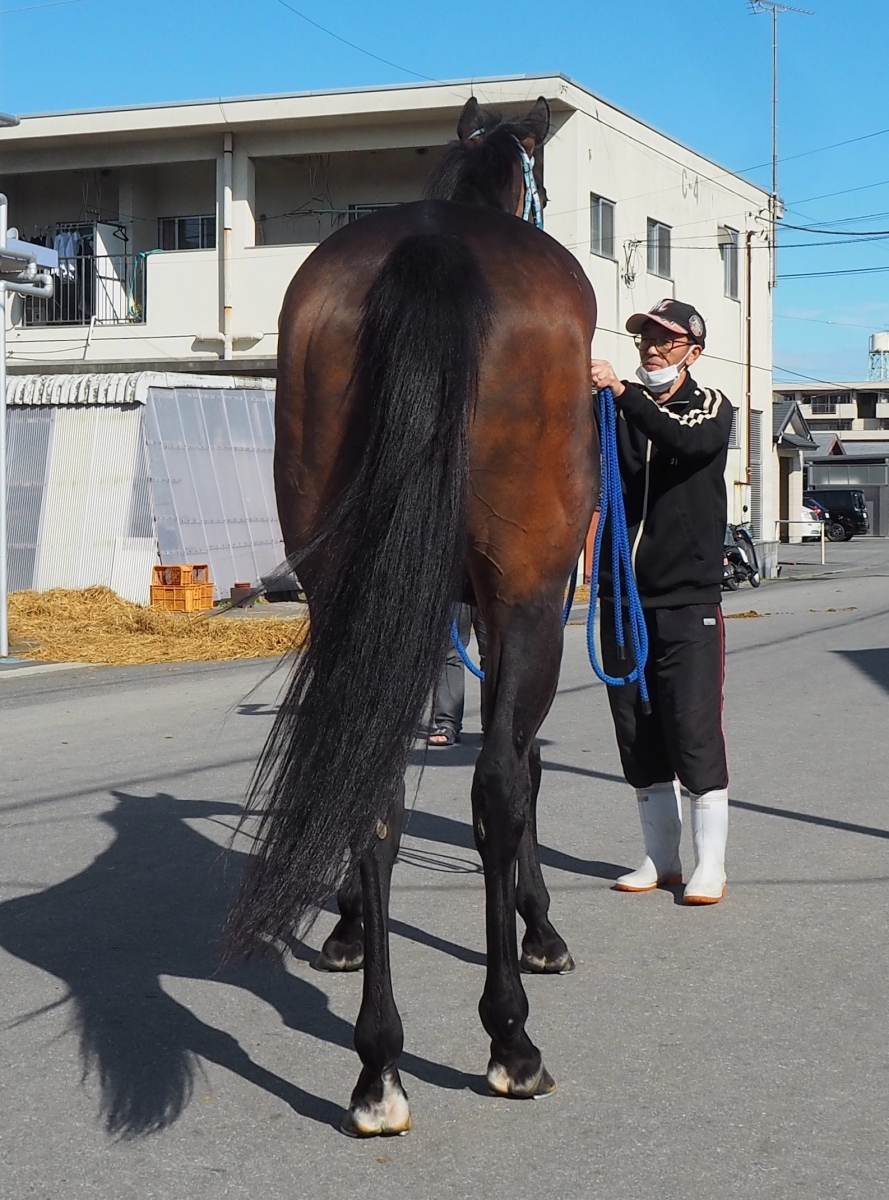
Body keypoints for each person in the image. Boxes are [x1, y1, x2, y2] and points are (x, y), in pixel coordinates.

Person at [590, 299, 732, 905]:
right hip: (623, 595)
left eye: (665, 340)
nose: (651, 348)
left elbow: (683, 440)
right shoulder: (613, 410)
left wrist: (623, 393)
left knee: (692, 728)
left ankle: (710, 865)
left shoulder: (711, 405)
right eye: (645, 338)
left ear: (692, 351)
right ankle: (661, 857)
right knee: (636, 732)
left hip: (686, 598)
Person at [427, 603, 486, 747]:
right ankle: (447, 723)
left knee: (494, 656)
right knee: (449, 652)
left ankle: (494, 725)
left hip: (493, 592)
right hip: (458, 592)